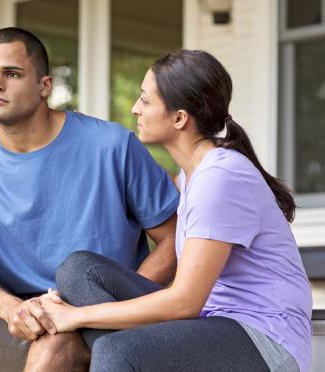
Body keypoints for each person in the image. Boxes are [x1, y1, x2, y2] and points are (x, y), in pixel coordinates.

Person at [0, 27, 179, 372]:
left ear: (45, 86)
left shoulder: (112, 145)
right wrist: (13, 309)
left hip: (95, 324)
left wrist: (114, 309)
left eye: (11, 73)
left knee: (53, 343)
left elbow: (173, 240)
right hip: (19, 319)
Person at [40, 49, 312, 372]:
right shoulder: (192, 173)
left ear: (180, 118)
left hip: (265, 342)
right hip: (211, 324)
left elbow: (185, 301)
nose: (134, 108)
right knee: (78, 270)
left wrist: (75, 316)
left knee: (116, 352)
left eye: (145, 100)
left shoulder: (220, 178)